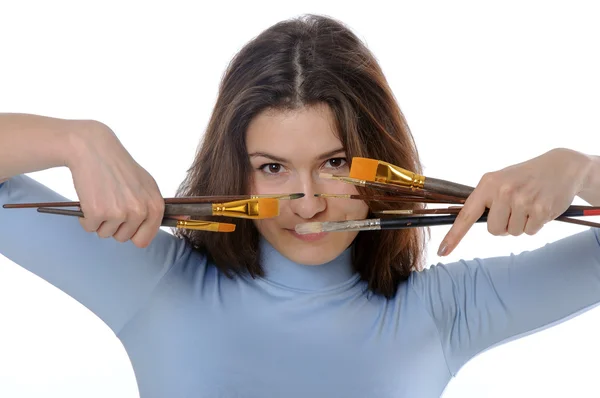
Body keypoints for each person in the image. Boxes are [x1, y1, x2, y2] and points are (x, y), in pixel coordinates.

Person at [1, 14, 599, 398]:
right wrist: (75, 138)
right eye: (272, 168)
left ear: (376, 161)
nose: (308, 204)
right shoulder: (152, 280)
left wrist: (580, 168)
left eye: (335, 164)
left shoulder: (449, 309)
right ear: (236, 171)